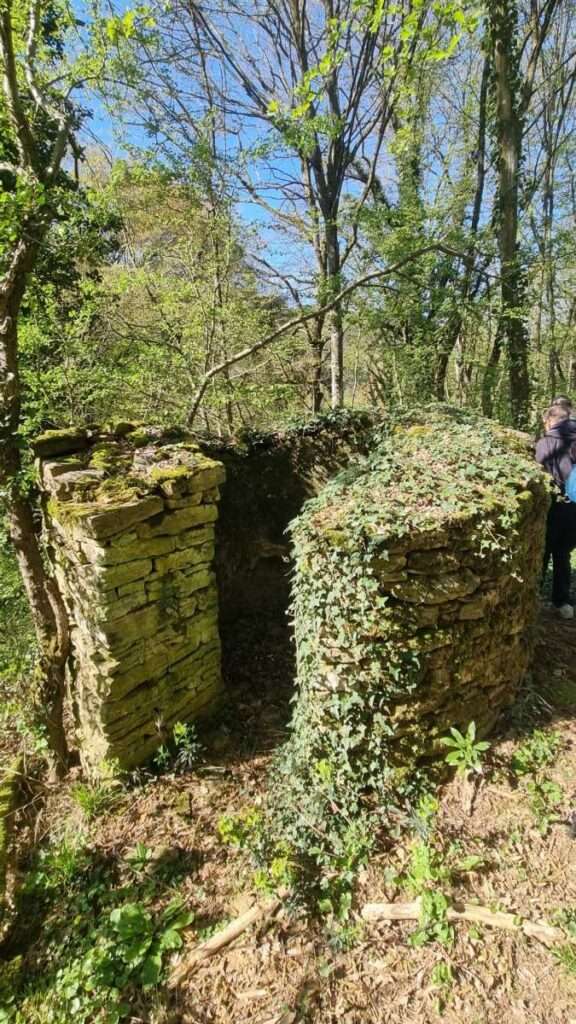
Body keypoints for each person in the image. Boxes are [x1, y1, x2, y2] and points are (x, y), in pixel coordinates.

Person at [535, 404, 576, 619]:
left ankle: (533, 599)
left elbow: (539, 471)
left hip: (553, 506)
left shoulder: (546, 442)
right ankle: (562, 602)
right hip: (575, 507)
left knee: (542, 552)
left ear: (550, 420)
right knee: (563, 554)